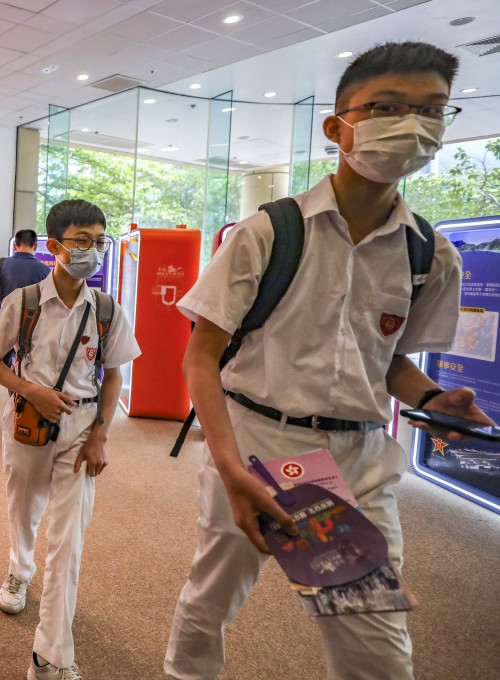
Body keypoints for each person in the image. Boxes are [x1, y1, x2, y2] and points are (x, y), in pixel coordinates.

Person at [165, 41, 492, 680]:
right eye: (388, 107)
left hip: (358, 463)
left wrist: (429, 398)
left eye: (432, 111)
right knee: (214, 598)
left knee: (373, 643)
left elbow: (391, 362)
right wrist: (230, 467)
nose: (413, 126)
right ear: (337, 125)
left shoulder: (432, 253)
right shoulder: (269, 233)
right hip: (258, 446)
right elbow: (201, 356)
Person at [0, 199, 140, 680]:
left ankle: (51, 657)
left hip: (81, 430)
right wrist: (30, 390)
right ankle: (19, 570)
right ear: (54, 247)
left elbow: (113, 376)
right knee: (25, 510)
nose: (92, 250)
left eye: (99, 240)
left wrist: (101, 436)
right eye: (81, 240)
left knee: (69, 541)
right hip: (29, 424)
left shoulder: (108, 309)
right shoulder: (24, 302)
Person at [0, 228, 51, 433]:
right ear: (35, 246)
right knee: (22, 373)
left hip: (2, 324)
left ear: (16, 244)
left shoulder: (3, 264)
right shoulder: (43, 270)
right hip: (31, 328)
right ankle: (19, 416)